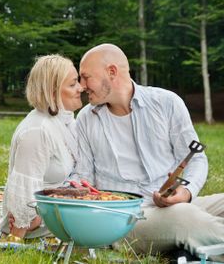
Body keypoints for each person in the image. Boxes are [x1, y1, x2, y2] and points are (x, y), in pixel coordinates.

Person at [75, 43, 224, 261]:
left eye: (86, 77)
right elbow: (83, 178)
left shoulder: (166, 103)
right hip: (125, 220)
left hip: (170, 207)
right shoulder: (86, 120)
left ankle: (191, 247)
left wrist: (187, 191)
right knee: (185, 218)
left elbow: (196, 158)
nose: (81, 86)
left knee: (190, 211)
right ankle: (195, 242)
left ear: (112, 72)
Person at [0, 54, 84, 241]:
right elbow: (24, 188)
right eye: (72, 84)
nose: (81, 88)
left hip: (57, 207)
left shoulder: (63, 121)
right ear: (52, 92)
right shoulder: (37, 130)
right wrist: (18, 236)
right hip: (36, 221)